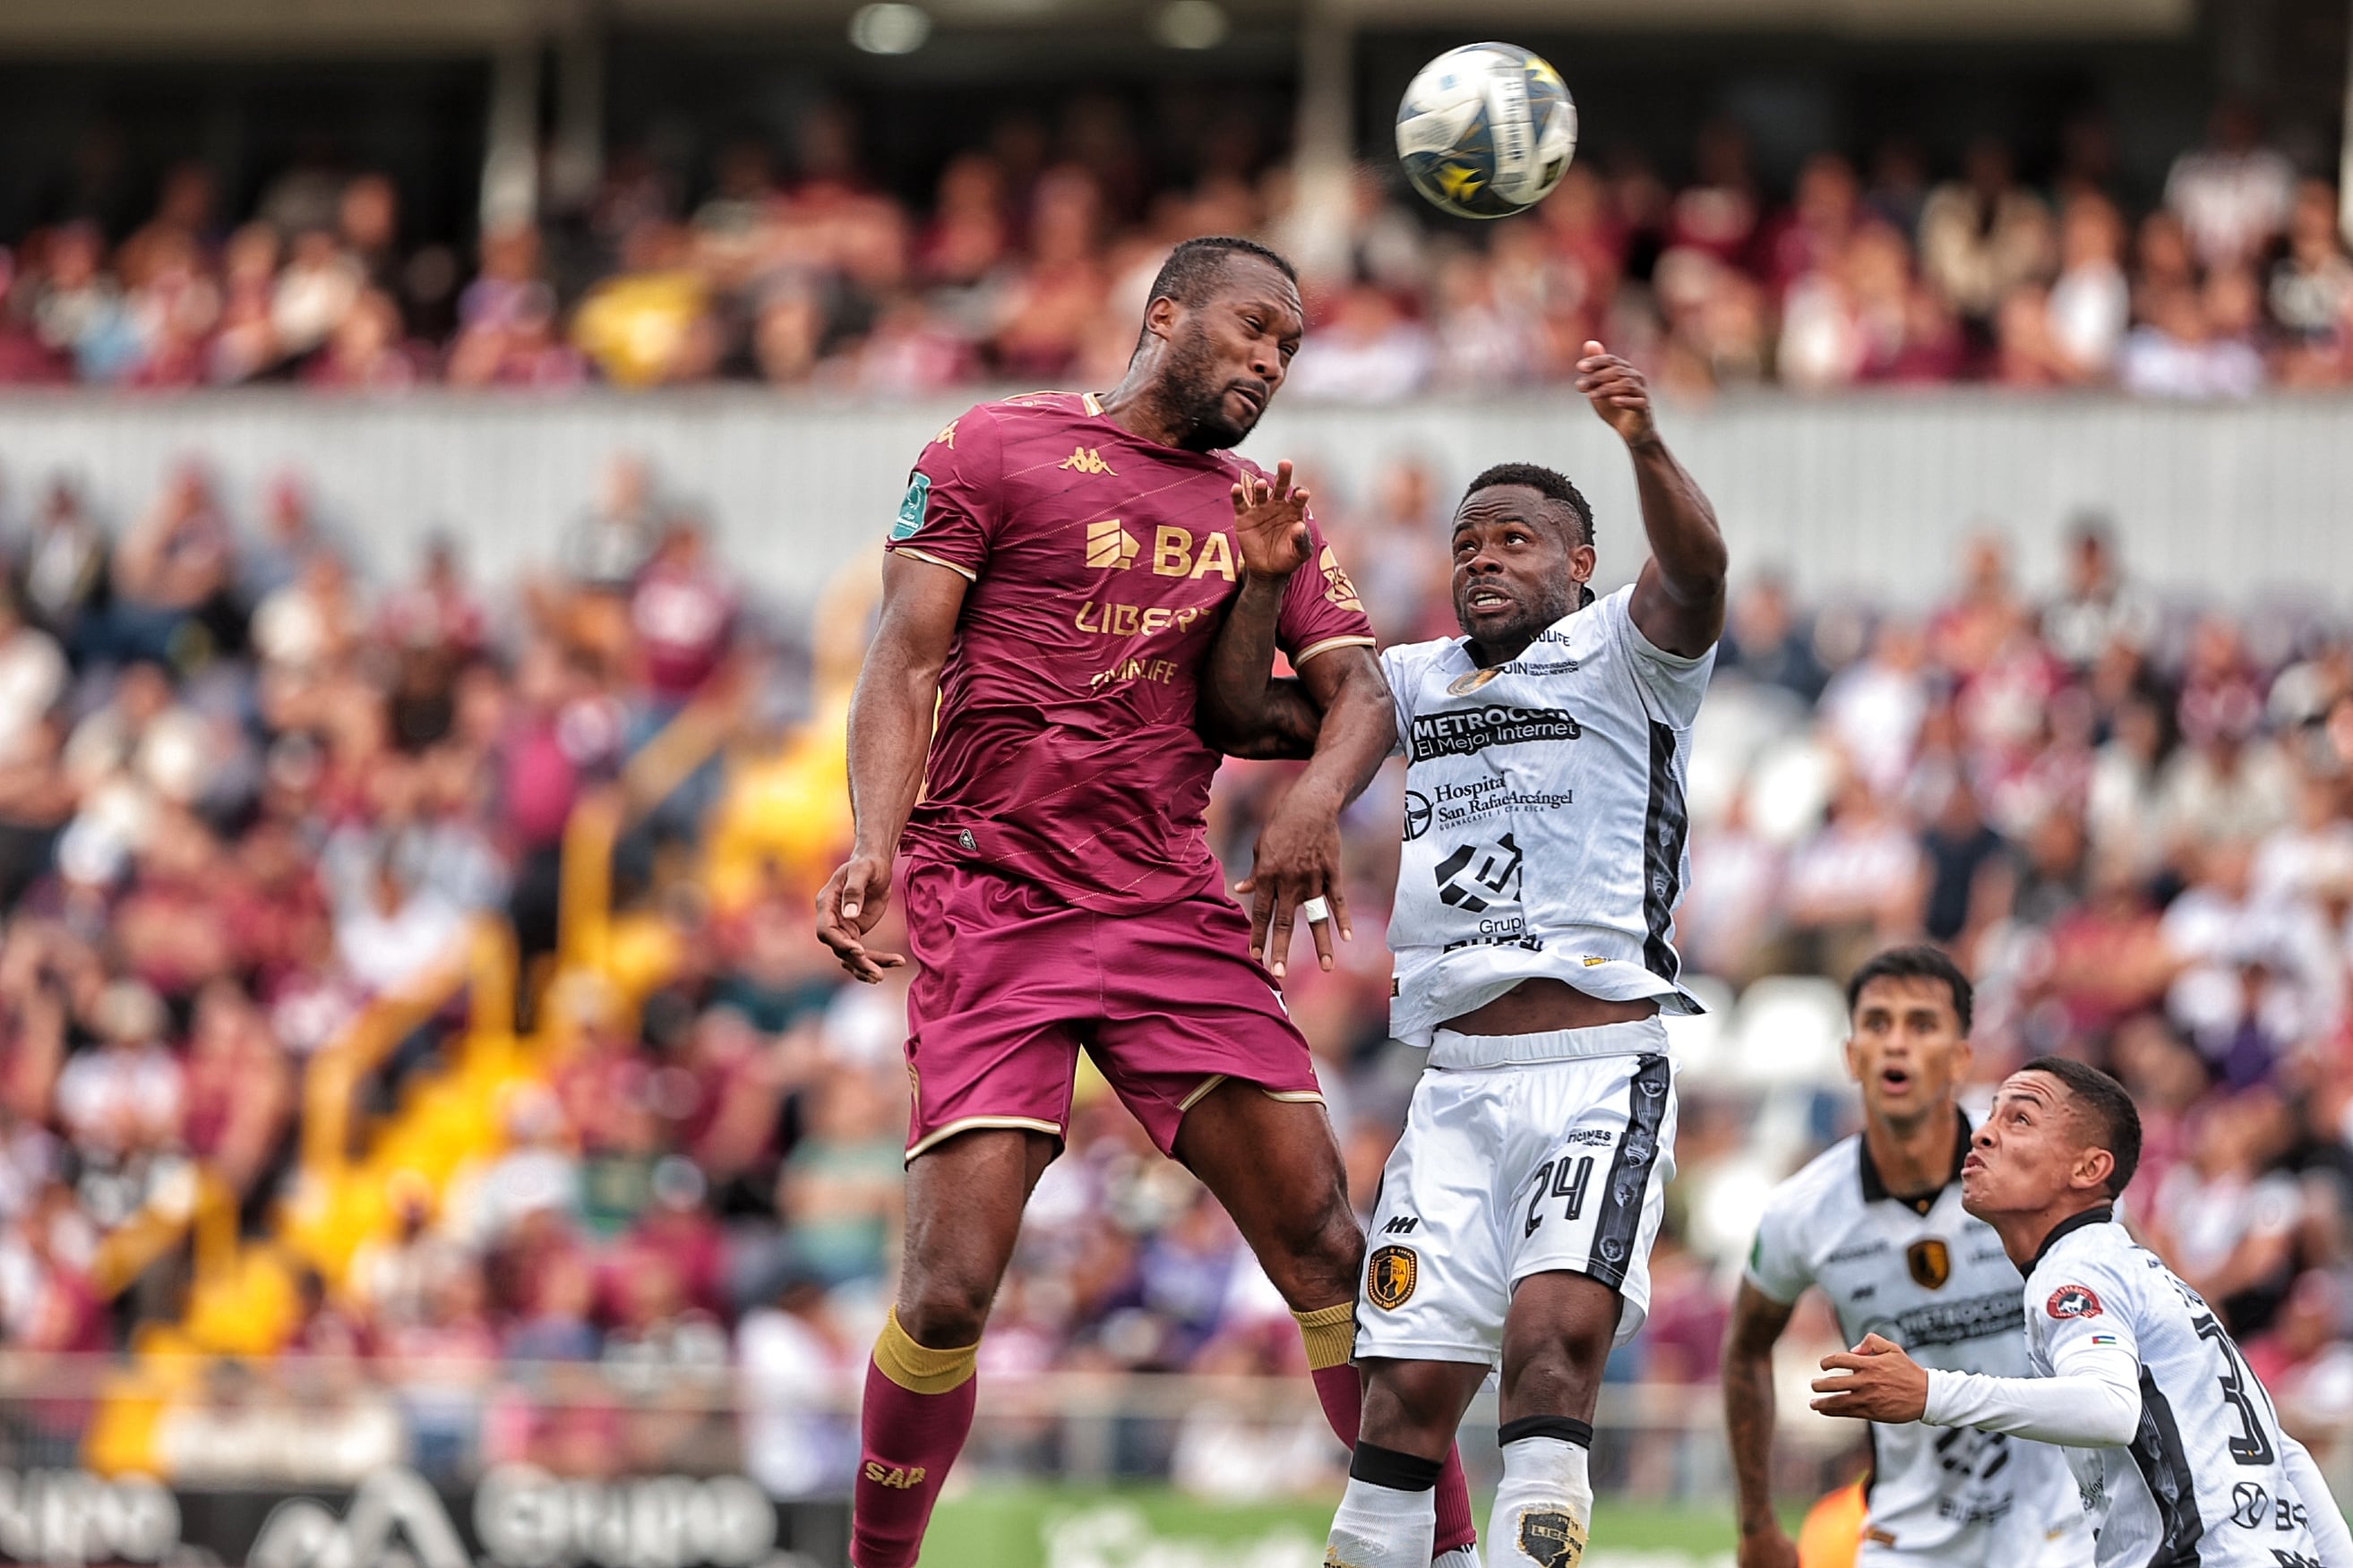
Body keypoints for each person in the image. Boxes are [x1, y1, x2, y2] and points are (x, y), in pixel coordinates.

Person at [813, 235, 1478, 1568]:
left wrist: (1304, 804)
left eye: (1288, 348)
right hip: (990, 890)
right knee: (947, 1291)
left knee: (1320, 1239)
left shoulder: (1264, 510)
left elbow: (1356, 690)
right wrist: (871, 840)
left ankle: (1446, 1551)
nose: (1270, 361)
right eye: (1251, 329)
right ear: (1162, 314)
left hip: (1165, 902)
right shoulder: (989, 448)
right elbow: (902, 656)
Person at [1204, 340, 1727, 1568]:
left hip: (1595, 1066)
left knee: (1550, 1352)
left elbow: (1697, 567)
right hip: (1451, 1087)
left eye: (1512, 540)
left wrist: (1643, 441)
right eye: (1466, 542)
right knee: (1398, 1408)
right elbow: (1244, 715)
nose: (1481, 558)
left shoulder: (1628, 651)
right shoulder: (1412, 675)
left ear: (1579, 564)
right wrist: (1256, 593)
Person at [1810, 1057, 2353, 1568]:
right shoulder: (2139, 1274)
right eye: (1992, 1114)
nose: (1982, 1133)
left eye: (2019, 1118)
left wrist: (1929, 1393)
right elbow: (2286, 1455)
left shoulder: (2078, 1269)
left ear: (2089, 1168)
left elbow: (2112, 1408)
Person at [1724, 947, 2089, 1568]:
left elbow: (2145, 1310)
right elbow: (1745, 1348)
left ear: (1960, 1056)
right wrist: (1758, 1521)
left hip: (2066, 1526)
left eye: (1921, 1024)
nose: (1896, 1043)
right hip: (1909, 1538)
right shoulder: (1803, 1211)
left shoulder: (2044, 1173)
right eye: (1876, 1023)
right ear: (1851, 1055)